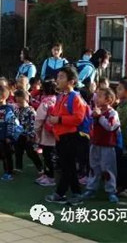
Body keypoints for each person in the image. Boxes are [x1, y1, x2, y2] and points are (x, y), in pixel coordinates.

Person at [45, 66, 85, 205]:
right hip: (61, 136)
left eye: (61, 77)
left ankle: (60, 193)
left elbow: (79, 118)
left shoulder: (75, 97)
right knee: (68, 166)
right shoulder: (62, 96)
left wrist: (59, 120)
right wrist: (53, 119)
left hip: (70, 136)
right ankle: (76, 193)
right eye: (58, 77)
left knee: (66, 167)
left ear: (71, 81)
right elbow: (56, 112)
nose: (58, 80)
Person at [82, 87, 120, 203]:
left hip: (107, 145)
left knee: (108, 168)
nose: (96, 99)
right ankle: (91, 189)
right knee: (94, 167)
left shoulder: (112, 113)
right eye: (96, 96)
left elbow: (110, 126)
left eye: (99, 96)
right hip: (95, 143)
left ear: (108, 100)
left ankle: (111, 191)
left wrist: (99, 116)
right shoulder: (95, 111)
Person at [13, 89, 43, 175]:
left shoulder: (31, 111)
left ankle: (40, 167)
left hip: (28, 135)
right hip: (19, 134)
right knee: (18, 151)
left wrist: (31, 135)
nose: (18, 102)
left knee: (31, 152)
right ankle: (18, 167)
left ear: (26, 99)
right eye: (17, 100)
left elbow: (33, 124)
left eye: (20, 101)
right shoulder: (17, 110)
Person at [34, 79, 58, 187]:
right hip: (56, 130)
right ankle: (47, 174)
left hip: (47, 131)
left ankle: (50, 177)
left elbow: (39, 118)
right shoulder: (58, 99)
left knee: (48, 155)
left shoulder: (45, 102)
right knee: (50, 154)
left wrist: (36, 131)